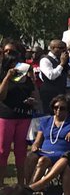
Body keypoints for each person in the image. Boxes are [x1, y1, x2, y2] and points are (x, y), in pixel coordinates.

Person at [25, 95, 70, 195]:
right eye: (56, 107)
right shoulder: (46, 121)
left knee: (42, 161)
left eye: (62, 108)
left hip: (62, 153)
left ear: (68, 109)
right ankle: (28, 186)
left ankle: (30, 190)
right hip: (44, 150)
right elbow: (38, 140)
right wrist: (35, 146)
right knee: (30, 157)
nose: (58, 110)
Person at [0, 40, 37, 184]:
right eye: (6, 52)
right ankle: (2, 184)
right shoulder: (2, 71)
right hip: (6, 115)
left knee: (21, 152)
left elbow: (33, 92)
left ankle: (21, 184)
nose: (9, 55)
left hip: (24, 115)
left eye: (13, 52)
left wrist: (33, 99)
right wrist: (8, 77)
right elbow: (1, 96)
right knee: (3, 151)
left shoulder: (25, 70)